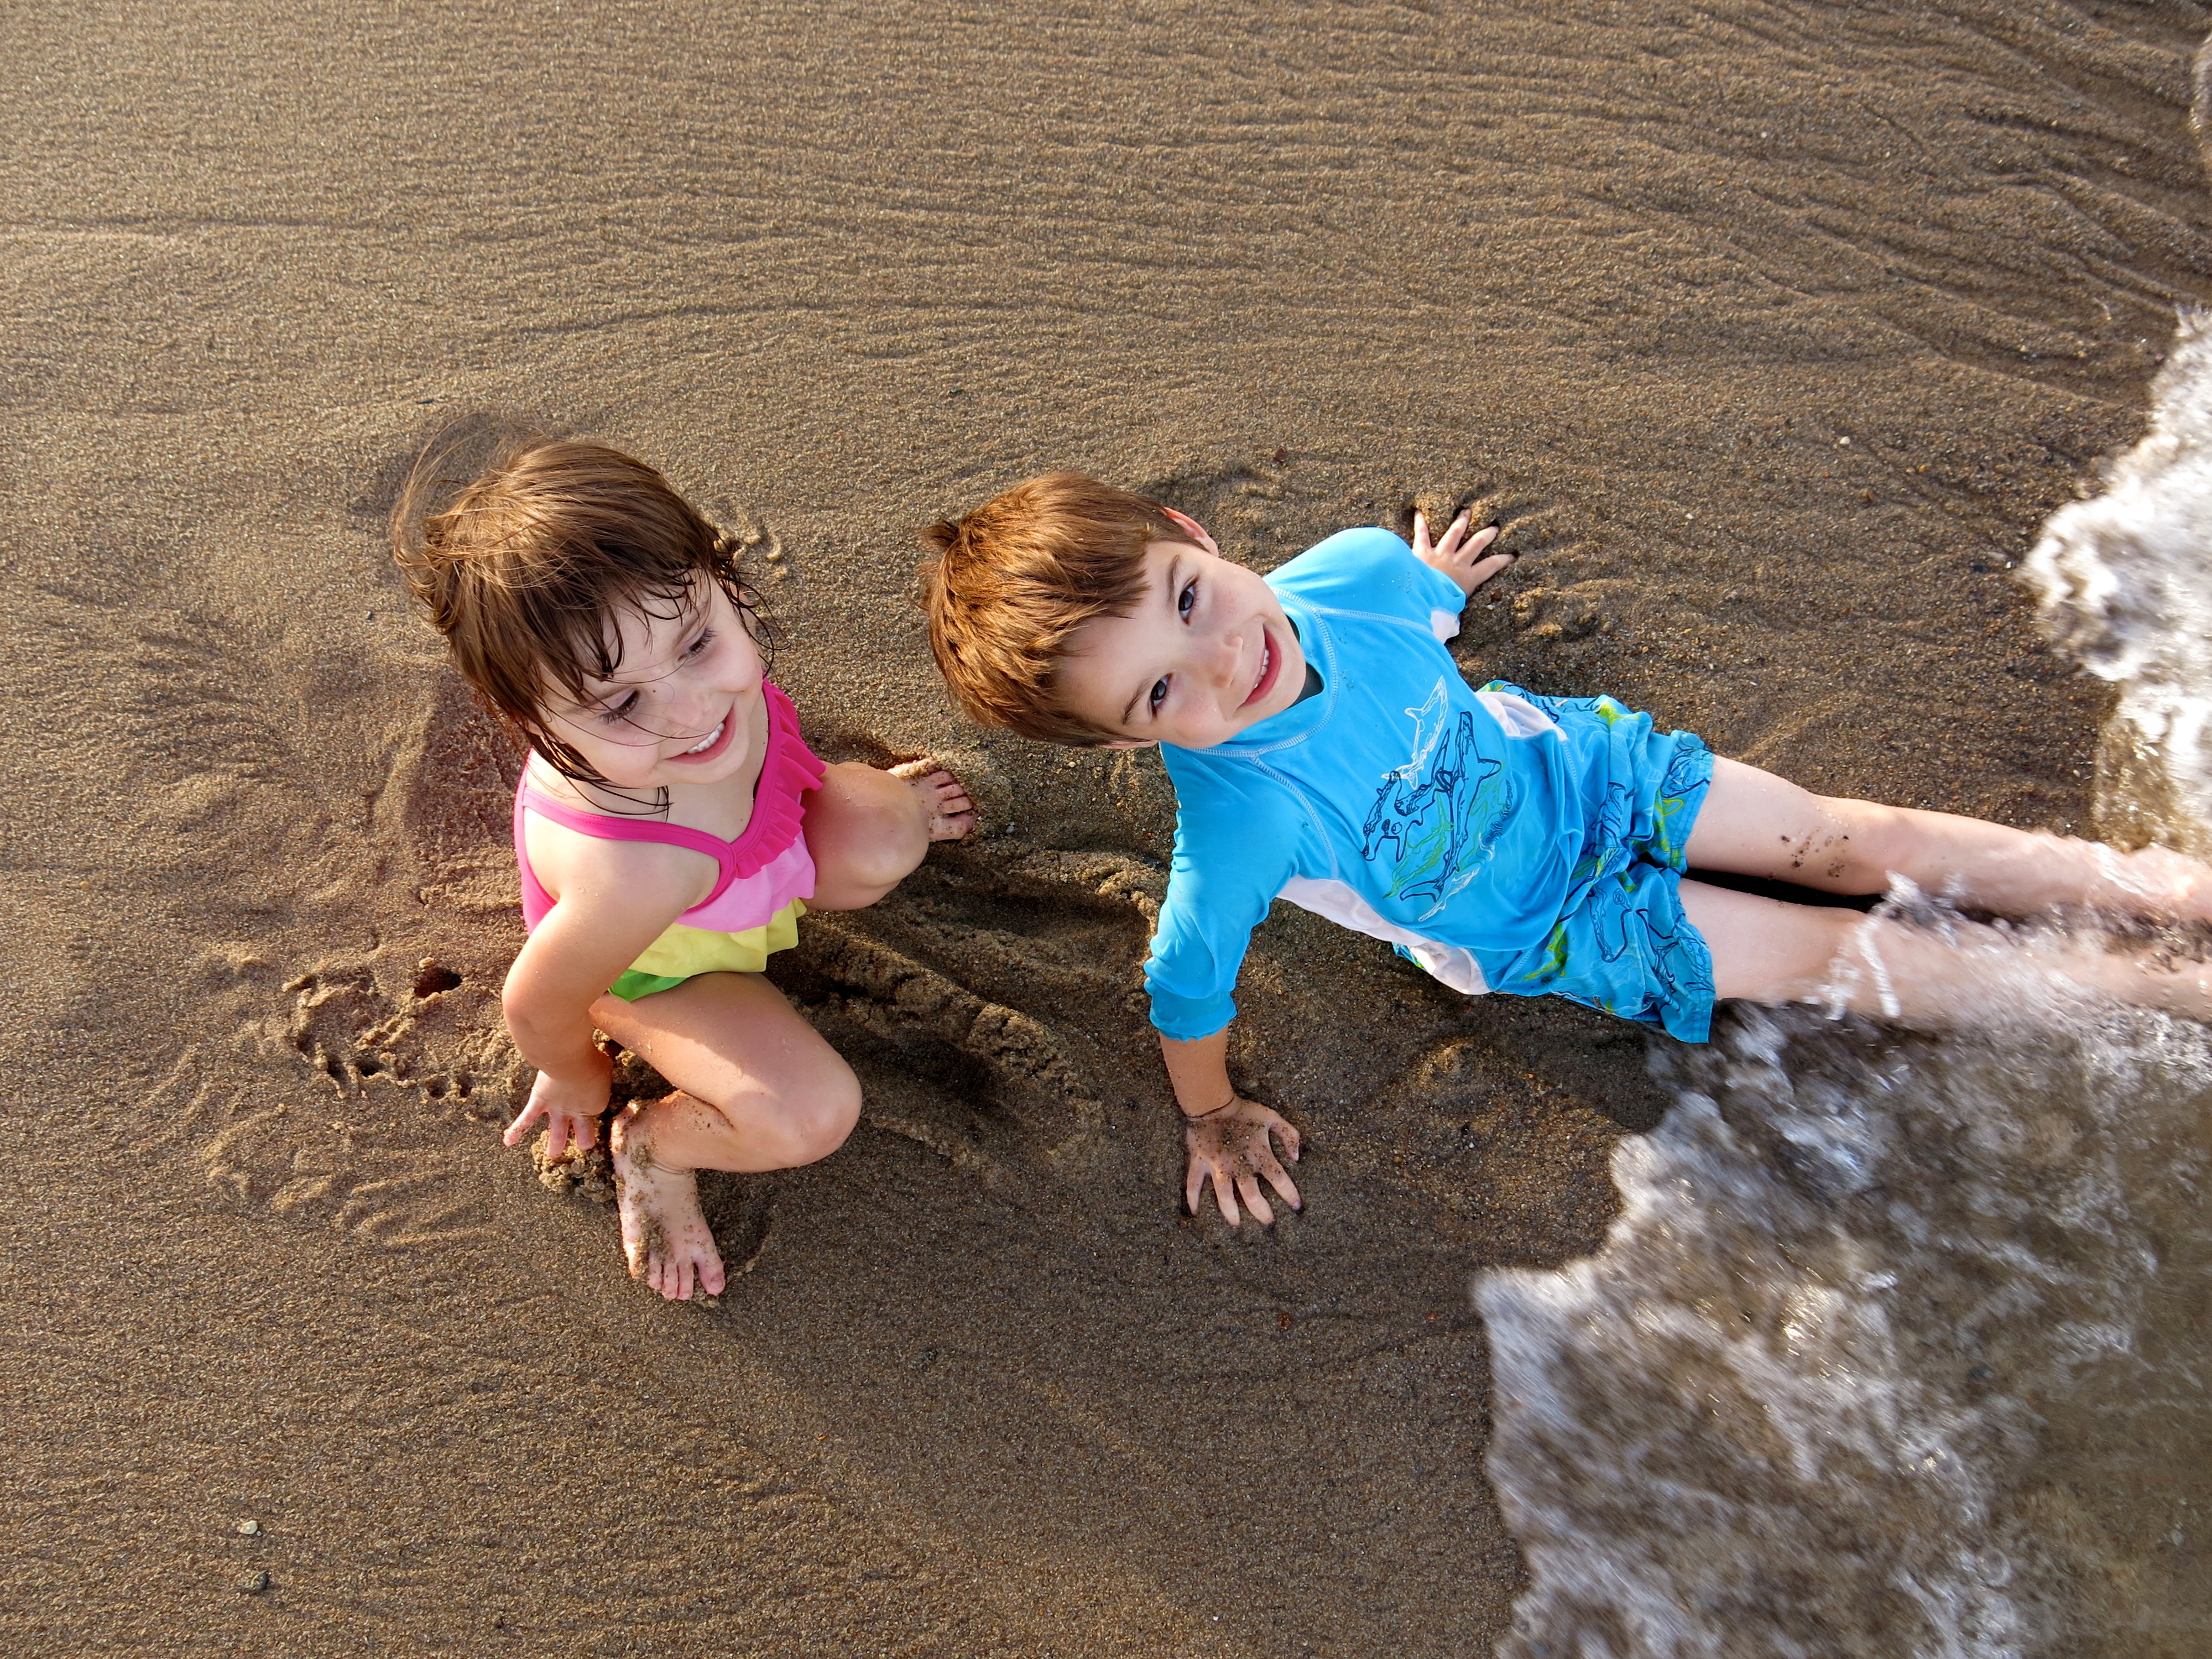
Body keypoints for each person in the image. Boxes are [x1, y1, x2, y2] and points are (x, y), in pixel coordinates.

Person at [919, 473, 2212, 1226]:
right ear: (1121, 744)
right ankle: (2161, 989)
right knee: (1829, 952)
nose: (1218, 660)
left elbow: (1416, 609)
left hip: (1587, 773)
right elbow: (1183, 982)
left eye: (1187, 600)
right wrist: (1209, 1115)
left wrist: (1435, 583)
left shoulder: (1362, 575)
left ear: (1189, 534)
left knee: (1844, 838)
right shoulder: (1239, 822)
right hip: (1545, 926)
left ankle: (2160, 888)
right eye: (1157, 692)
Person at [394, 437, 973, 1300]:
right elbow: (537, 1002)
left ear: (723, 582)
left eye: (698, 643)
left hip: (751, 869)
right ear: (532, 720)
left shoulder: (699, 689)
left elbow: (701, 700)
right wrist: (577, 1074)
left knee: (884, 838)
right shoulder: (634, 873)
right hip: (665, 967)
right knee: (809, 1115)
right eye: (621, 703)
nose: (691, 709)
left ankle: (845, 839)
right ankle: (655, 1147)